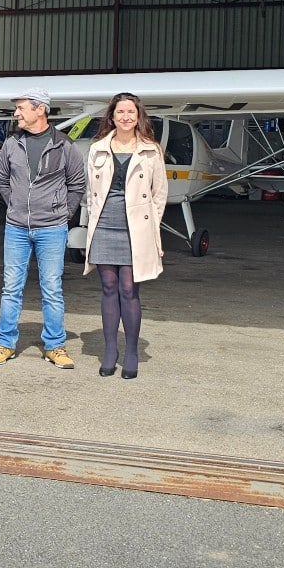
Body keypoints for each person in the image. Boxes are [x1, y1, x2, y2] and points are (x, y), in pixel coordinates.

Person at [0, 88, 85, 367]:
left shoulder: (65, 145)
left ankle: (55, 346)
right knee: (10, 288)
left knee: (52, 288)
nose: (16, 113)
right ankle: (4, 344)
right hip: (16, 228)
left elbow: (77, 184)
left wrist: (63, 213)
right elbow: (2, 182)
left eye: (21, 108)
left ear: (40, 109)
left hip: (52, 228)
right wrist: (15, 207)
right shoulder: (11, 144)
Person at [83, 92, 168, 379]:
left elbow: (160, 194)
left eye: (131, 112)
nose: (125, 117)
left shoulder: (151, 150)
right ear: (112, 116)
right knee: (108, 287)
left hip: (136, 227)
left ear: (138, 116)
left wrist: (152, 229)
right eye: (120, 112)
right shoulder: (97, 149)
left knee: (129, 289)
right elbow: (90, 192)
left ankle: (131, 350)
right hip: (105, 224)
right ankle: (110, 349)